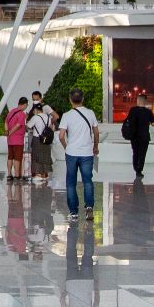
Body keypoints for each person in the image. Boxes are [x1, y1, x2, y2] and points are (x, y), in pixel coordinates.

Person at [57, 88, 100, 220]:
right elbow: (96, 132)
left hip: (71, 153)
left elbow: (61, 136)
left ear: (70, 100)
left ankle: (74, 212)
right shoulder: (90, 113)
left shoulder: (66, 115)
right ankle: (89, 207)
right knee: (87, 181)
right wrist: (95, 147)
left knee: (71, 183)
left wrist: (67, 147)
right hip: (87, 153)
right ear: (83, 99)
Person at [121, 93, 154, 178]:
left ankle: (136, 168)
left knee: (135, 153)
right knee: (142, 154)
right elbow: (153, 123)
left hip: (134, 136)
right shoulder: (148, 112)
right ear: (145, 101)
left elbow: (128, 120)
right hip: (144, 137)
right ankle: (139, 170)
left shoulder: (133, 110)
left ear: (138, 100)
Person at [27, 93, 56, 179]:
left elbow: (28, 126)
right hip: (46, 139)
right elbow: (52, 127)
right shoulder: (47, 117)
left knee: (36, 155)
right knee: (45, 155)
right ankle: (45, 173)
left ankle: (37, 174)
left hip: (37, 139)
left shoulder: (35, 117)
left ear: (36, 110)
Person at [5, 100, 29, 179]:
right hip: (18, 140)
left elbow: (6, 122)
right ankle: (17, 175)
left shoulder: (11, 111)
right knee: (17, 158)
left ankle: (9, 174)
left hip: (10, 140)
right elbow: (18, 125)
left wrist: (7, 132)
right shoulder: (22, 114)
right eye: (26, 105)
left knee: (10, 157)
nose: (26, 107)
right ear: (24, 104)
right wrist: (11, 132)